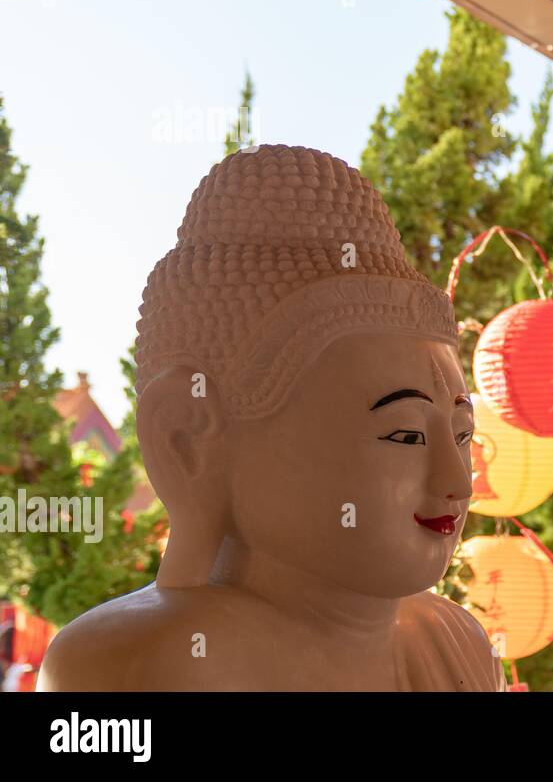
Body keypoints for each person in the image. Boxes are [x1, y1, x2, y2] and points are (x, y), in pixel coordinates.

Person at [38, 146, 503, 691]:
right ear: (186, 439)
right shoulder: (134, 661)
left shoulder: (455, 642)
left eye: (463, 434)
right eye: (404, 434)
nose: (456, 482)